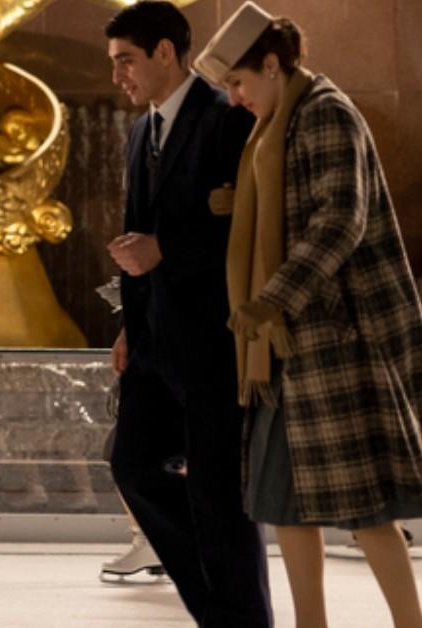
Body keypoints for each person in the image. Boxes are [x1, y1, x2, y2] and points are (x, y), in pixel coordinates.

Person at [196, 3, 422, 626]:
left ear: (272, 64)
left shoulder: (324, 112)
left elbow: (339, 218)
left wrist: (274, 296)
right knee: (286, 503)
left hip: (336, 342)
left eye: (240, 83)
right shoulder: (277, 124)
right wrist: (240, 201)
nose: (236, 98)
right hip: (286, 352)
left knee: (367, 506)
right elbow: (294, 201)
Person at [102, 3, 272, 625]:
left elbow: (248, 232)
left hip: (213, 342)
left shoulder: (226, 119)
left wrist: (165, 249)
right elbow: (137, 234)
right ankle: (219, 608)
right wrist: (127, 324)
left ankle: (240, 618)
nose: (118, 74)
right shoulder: (138, 133)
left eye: (127, 60)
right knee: (133, 465)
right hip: (151, 341)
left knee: (218, 496)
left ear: (166, 53)